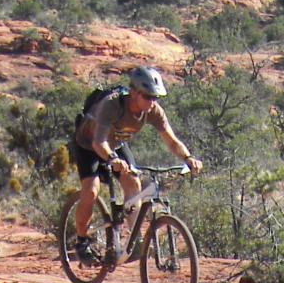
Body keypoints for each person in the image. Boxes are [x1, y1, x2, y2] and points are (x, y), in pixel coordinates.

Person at [71, 66, 202, 266]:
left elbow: (172, 140)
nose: (152, 102)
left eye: (155, 98)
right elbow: (99, 142)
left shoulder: (154, 111)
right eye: (148, 97)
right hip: (89, 144)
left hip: (115, 144)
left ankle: (133, 243)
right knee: (91, 191)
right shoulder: (112, 105)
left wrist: (188, 157)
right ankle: (81, 241)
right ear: (134, 92)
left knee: (133, 182)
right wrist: (113, 159)